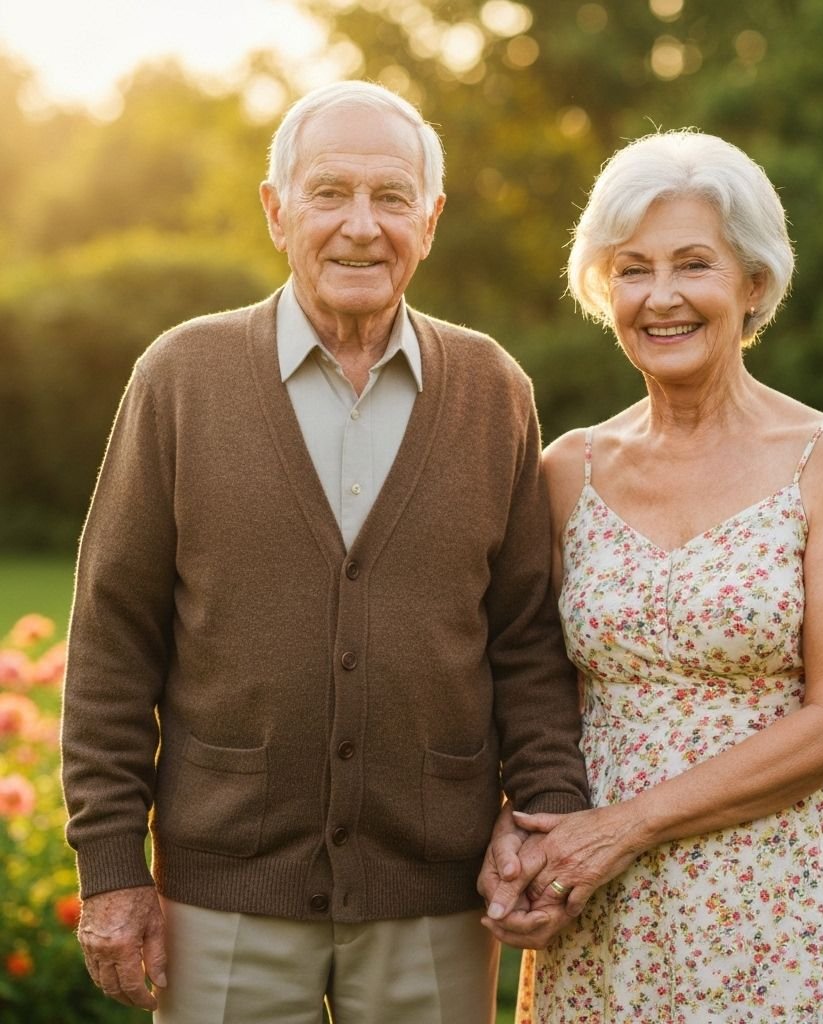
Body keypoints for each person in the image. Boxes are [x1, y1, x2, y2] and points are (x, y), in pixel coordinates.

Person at [60, 80, 589, 1024]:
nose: (361, 226)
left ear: (429, 219)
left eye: (391, 197)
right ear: (277, 210)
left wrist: (547, 820)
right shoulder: (181, 376)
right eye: (329, 193)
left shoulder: (491, 388)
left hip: (434, 896)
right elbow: (112, 638)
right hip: (225, 900)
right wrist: (110, 870)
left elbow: (525, 642)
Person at [482, 129, 823, 1022]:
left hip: (780, 891)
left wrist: (628, 826)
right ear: (605, 290)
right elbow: (525, 677)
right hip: (596, 897)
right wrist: (520, 829)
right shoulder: (567, 469)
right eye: (632, 269)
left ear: (753, 285)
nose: (661, 297)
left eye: (693, 265)